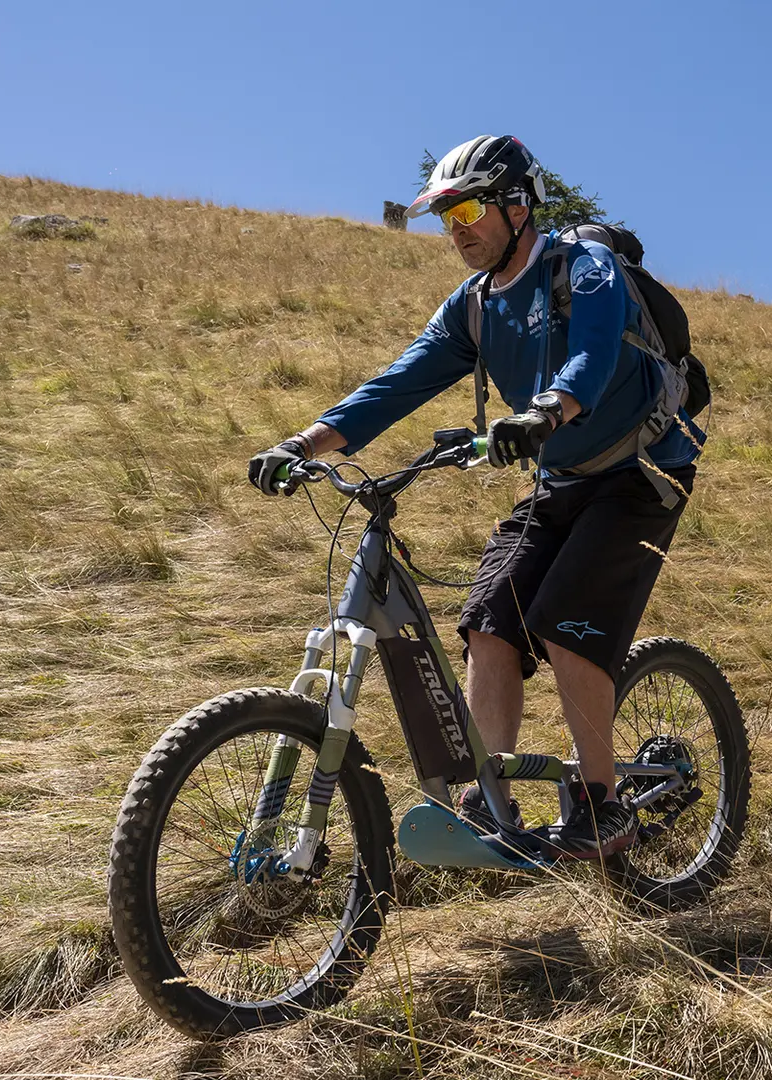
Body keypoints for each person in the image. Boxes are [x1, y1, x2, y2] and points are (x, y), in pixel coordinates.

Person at [246, 135, 702, 858]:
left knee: (562, 621)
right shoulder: (474, 307)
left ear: (517, 204)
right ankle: (486, 804)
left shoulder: (583, 267)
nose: (457, 227)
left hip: (644, 471)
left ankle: (601, 803)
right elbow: (398, 384)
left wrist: (546, 413)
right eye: (445, 214)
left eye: (469, 208)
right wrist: (301, 445)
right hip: (561, 478)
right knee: (490, 619)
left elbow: (594, 354)